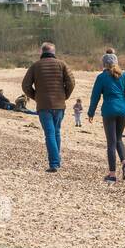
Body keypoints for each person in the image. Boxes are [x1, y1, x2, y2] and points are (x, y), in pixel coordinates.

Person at [21, 41, 76, 173]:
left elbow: (25, 86)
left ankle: (54, 163)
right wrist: (65, 96)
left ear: (42, 52)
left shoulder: (35, 66)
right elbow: (71, 82)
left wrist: (36, 96)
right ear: (53, 52)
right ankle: (57, 161)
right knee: (56, 132)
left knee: (50, 134)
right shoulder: (62, 64)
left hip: (43, 105)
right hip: (59, 104)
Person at [87, 48, 125, 183]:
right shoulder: (124, 75)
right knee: (119, 139)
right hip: (123, 111)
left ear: (104, 64)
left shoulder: (101, 77)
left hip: (109, 111)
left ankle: (112, 174)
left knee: (111, 142)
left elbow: (95, 97)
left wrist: (91, 113)